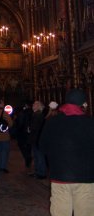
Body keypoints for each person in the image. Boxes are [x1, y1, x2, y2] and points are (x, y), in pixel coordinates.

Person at [40, 88, 94, 216]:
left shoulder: (52, 122)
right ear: (84, 104)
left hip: (60, 176)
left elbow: (42, 147)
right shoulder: (90, 123)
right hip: (86, 177)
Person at [28, 100, 46, 179]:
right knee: (36, 156)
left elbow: (35, 127)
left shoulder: (37, 115)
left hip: (37, 138)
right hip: (37, 138)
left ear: (38, 106)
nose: (33, 105)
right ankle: (38, 171)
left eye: (34, 104)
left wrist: (29, 128)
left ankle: (41, 173)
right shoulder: (37, 114)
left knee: (39, 156)